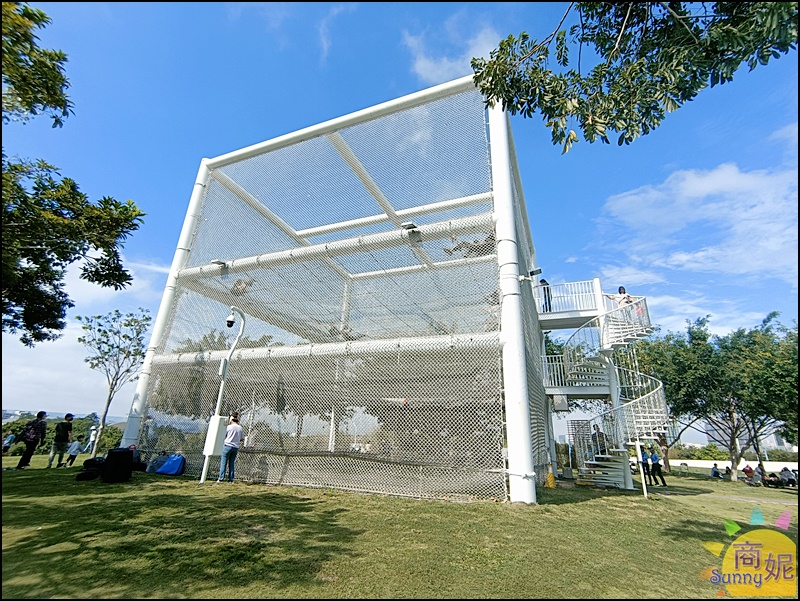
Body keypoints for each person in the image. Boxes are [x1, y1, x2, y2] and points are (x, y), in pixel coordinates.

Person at [217, 416, 245, 483]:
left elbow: (224, 435)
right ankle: (230, 479)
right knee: (231, 463)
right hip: (235, 447)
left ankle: (221, 478)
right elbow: (242, 438)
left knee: (224, 463)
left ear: (231, 420)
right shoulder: (240, 428)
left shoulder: (228, 427)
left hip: (227, 445)